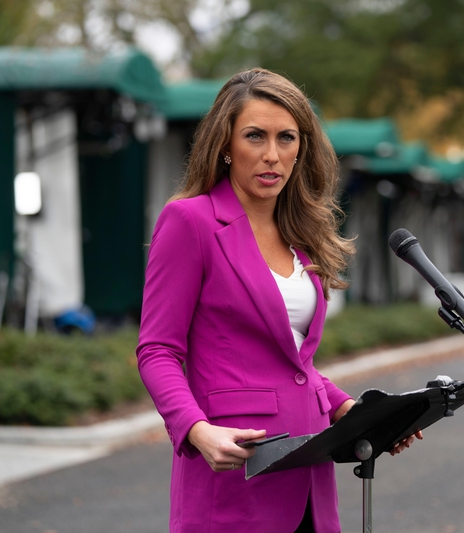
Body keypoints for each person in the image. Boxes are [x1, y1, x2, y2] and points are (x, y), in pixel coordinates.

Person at [136, 68, 421, 533]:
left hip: (310, 466)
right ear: (224, 145)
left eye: (286, 138)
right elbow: (157, 349)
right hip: (236, 467)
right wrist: (195, 429)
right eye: (255, 136)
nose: (272, 155)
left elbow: (293, 362)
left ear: (300, 148)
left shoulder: (299, 235)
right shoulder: (190, 221)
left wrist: (351, 411)